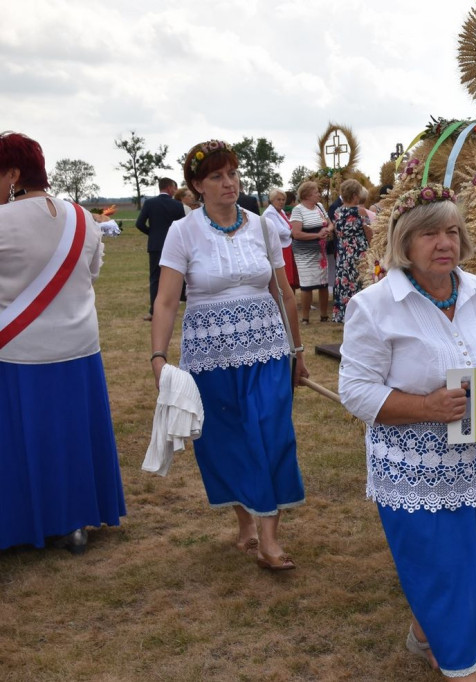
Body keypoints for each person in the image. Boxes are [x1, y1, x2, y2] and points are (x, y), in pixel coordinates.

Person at [338, 183, 476, 682]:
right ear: (404, 242)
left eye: (451, 230)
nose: (444, 242)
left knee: (466, 566)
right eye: (429, 233)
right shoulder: (374, 305)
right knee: (443, 572)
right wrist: (425, 406)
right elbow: (356, 392)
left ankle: (425, 634)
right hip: (417, 471)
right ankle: (460, 668)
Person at [151, 139, 308, 571]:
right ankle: (245, 519)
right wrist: (158, 357)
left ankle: (270, 540)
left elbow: (284, 293)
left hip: (268, 352)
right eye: (217, 176)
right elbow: (166, 301)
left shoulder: (262, 227)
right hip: (210, 357)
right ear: (198, 185)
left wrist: (297, 351)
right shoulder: (183, 232)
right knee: (226, 440)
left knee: (272, 433)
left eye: (233, 173)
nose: (229, 183)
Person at [0, 131, 125, 553]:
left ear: (12, 174)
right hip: (80, 346)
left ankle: (22, 522)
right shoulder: (83, 217)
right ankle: (75, 521)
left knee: (23, 441)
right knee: (73, 435)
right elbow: (91, 274)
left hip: (18, 350)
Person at [136, 177, 186, 321]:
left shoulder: (149, 203)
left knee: (155, 279)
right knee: (178, 276)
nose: (175, 191)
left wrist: (152, 234)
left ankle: (154, 311)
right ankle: (179, 303)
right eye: (174, 188)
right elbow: (183, 226)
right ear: (169, 188)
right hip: (174, 245)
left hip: (156, 245)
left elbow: (139, 223)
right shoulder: (177, 205)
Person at [289, 180, 332, 323]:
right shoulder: (298, 210)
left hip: (321, 252)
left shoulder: (320, 206)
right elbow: (296, 234)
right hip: (304, 253)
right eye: (316, 192)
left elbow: (330, 224)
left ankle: (324, 315)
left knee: (323, 283)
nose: (319, 195)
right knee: (307, 284)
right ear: (307, 195)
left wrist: (327, 230)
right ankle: (305, 317)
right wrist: (317, 235)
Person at [331, 178, 373, 323]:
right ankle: (362, 316)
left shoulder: (337, 212)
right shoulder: (361, 212)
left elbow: (337, 232)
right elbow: (369, 233)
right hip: (359, 253)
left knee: (345, 284)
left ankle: (345, 315)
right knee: (361, 283)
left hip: (343, 254)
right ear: (355, 195)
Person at [263, 188, 299, 291]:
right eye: (278, 199)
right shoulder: (270, 213)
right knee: (285, 277)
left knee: (291, 277)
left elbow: (289, 224)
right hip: (280, 247)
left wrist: (292, 230)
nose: (281, 202)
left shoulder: (280, 211)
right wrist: (293, 233)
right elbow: (279, 231)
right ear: (272, 200)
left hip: (287, 245)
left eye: (283, 200)